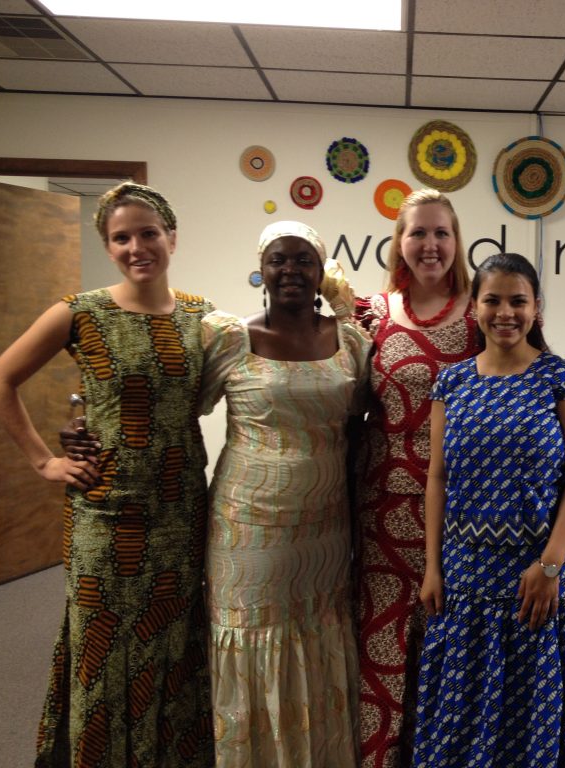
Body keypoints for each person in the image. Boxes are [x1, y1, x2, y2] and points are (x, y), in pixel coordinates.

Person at [0, 182, 214, 766]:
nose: (137, 247)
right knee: (102, 642)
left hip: (180, 509)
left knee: (173, 641)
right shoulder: (80, 312)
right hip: (105, 512)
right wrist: (44, 460)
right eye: (121, 238)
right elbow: (0, 379)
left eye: (148, 233)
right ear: (108, 246)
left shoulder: (203, 317)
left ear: (171, 238)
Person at [414, 252, 565, 767]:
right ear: (474, 307)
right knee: (462, 716)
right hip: (465, 577)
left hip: (536, 576)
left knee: (533, 716)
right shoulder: (452, 383)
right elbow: (437, 476)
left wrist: (551, 565)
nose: (505, 313)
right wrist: (432, 567)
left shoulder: (562, 378)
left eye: (518, 301)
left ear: (536, 307)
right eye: (492, 300)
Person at [199, 221, 370, 766]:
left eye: (303, 260)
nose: (290, 270)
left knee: (317, 635)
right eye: (279, 259)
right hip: (248, 526)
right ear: (262, 269)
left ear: (321, 272)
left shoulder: (350, 341)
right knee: (255, 638)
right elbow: (180, 409)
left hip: (325, 527)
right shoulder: (229, 339)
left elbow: (362, 419)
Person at [350, 188, 480, 768]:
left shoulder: (485, 313)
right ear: (399, 242)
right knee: (381, 648)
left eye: (441, 233)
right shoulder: (370, 314)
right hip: (382, 511)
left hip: (463, 511)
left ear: (457, 241)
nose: (430, 244)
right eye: (418, 233)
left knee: (452, 649)